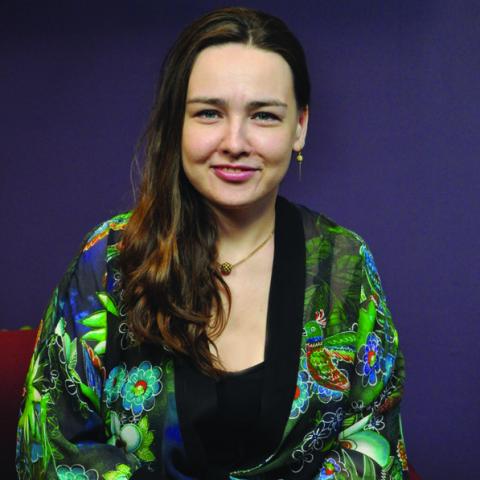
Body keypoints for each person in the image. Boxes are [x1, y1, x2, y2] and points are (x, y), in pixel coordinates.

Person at [16, 7, 408, 480]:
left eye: (263, 115)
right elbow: (52, 444)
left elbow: (373, 443)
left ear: (299, 127)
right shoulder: (109, 258)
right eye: (209, 113)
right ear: (178, 123)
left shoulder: (345, 265)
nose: (235, 142)